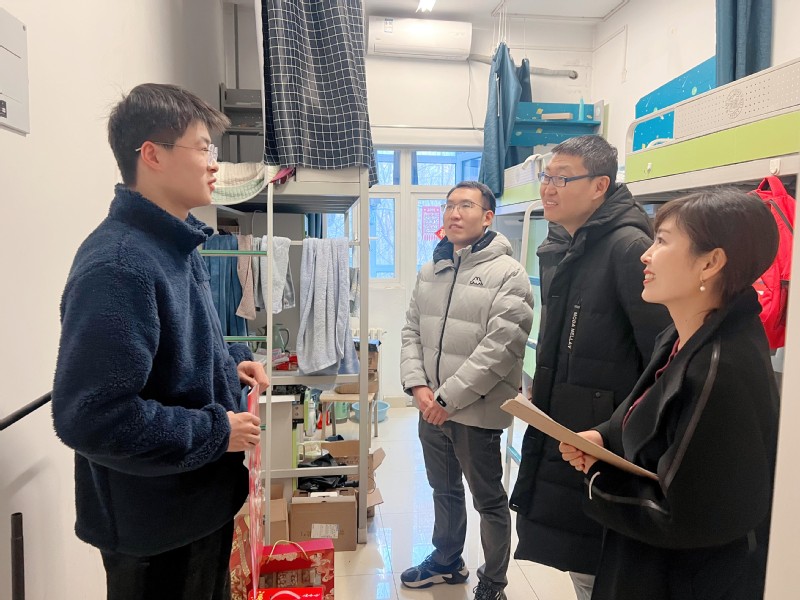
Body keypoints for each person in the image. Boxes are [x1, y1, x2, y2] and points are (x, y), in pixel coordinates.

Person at [51, 83, 268, 600]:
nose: (215, 164)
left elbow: (175, 356)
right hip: (156, 533)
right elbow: (93, 417)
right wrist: (217, 431)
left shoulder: (173, 244)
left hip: (196, 509)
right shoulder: (119, 265)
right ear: (152, 155)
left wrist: (230, 363)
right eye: (204, 148)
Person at [560, 189, 780, 600]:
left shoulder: (719, 368)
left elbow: (683, 514)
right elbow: (644, 414)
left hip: (684, 580)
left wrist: (596, 477)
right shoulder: (680, 337)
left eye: (661, 241)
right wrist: (602, 437)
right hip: (648, 563)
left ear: (710, 262)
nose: (646, 255)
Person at [509, 135, 671, 600]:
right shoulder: (565, 244)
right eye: (546, 176)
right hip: (571, 425)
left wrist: (614, 427)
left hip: (604, 437)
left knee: (599, 561)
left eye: (562, 178)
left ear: (600, 185)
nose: (547, 188)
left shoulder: (627, 247)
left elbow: (660, 357)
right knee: (582, 560)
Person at [400, 181, 534, 600]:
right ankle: (446, 561)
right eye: (449, 206)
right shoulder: (431, 270)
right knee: (443, 489)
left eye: (466, 205)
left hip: (475, 412)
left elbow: (501, 348)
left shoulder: (508, 274)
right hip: (430, 409)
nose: (454, 213)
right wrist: (418, 386)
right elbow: (411, 331)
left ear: (488, 217)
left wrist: (447, 399)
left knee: (488, 500)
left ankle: (493, 582)